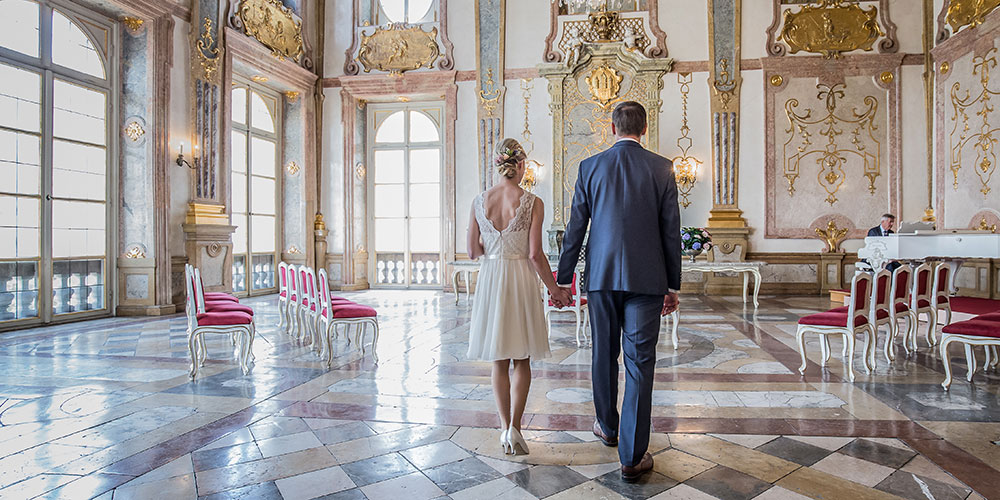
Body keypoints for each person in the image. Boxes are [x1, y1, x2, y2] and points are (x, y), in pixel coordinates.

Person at [556, 101, 681, 483]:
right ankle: (631, 455)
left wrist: (564, 278)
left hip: (601, 277)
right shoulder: (662, 167)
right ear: (644, 129)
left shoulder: (589, 167)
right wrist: (672, 285)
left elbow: (576, 226)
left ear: (612, 128)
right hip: (647, 280)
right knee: (640, 363)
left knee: (603, 354)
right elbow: (670, 230)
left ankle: (607, 427)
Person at [466, 138, 572, 456]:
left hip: (491, 280)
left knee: (499, 360)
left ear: (497, 166)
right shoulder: (532, 202)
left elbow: (472, 251)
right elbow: (535, 254)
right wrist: (554, 289)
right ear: (522, 166)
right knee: (521, 358)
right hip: (520, 281)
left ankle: (503, 429)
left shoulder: (478, 201)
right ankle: (516, 427)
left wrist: (493, 246)